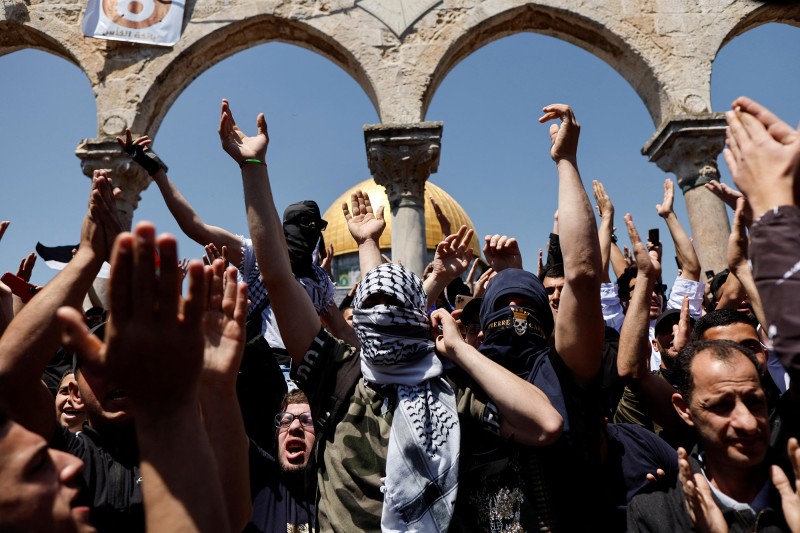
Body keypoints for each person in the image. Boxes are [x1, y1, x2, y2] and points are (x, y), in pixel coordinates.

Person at [217, 98, 562, 532]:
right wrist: (252, 166)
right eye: (373, 309)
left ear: (422, 318)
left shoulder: (450, 396)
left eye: (395, 308)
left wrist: (461, 351)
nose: (383, 317)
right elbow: (278, 275)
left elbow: (546, 423)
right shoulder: (337, 375)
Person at [627, 340, 798, 532]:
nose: (748, 423)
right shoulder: (655, 515)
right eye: (722, 406)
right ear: (685, 410)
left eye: (754, 402)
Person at [245, 390, 317, 533]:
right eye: (285, 421)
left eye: (307, 420)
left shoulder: (340, 496)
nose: (294, 427)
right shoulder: (258, 478)